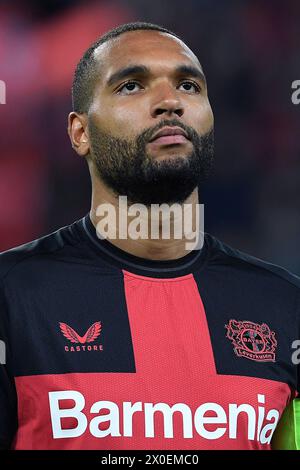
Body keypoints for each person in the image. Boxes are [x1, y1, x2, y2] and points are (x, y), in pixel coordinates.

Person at [0, 21, 299, 451]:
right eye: (132, 86)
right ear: (80, 133)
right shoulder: (12, 296)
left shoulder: (285, 305)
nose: (170, 102)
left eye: (189, 86)